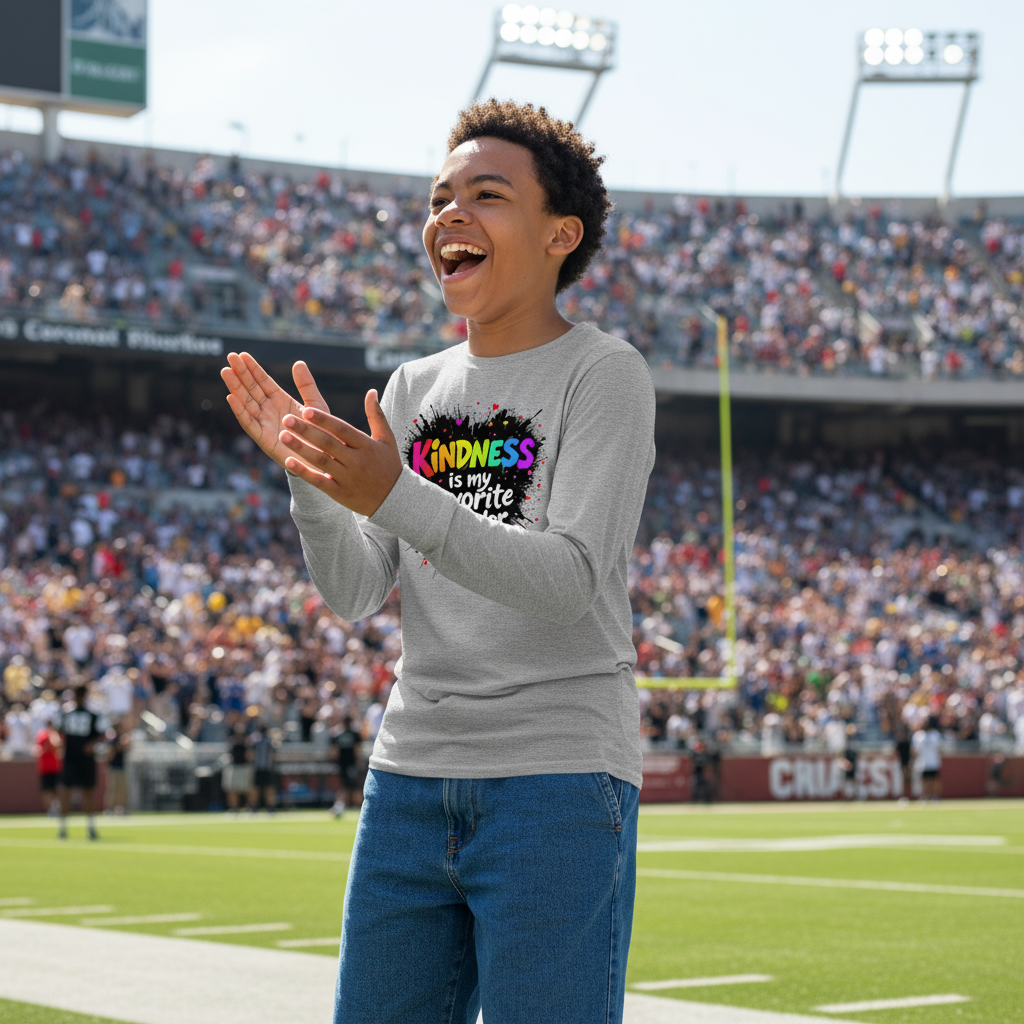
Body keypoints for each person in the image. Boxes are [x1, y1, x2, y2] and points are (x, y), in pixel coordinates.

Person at [222, 99, 655, 1024]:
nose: (449, 215)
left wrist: (396, 494)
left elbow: (568, 580)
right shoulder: (415, 385)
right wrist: (311, 477)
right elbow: (354, 590)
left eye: (486, 195)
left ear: (559, 235)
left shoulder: (604, 372)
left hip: (558, 778)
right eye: (439, 197)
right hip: (409, 774)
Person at [56, 685, 103, 840]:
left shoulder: (93, 715)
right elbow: (57, 732)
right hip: (70, 758)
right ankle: (62, 828)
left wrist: (92, 744)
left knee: (88, 792)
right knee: (66, 792)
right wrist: (59, 744)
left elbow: (101, 735)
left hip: (86, 759)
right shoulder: (65, 714)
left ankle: (91, 827)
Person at [330, 715, 362, 817]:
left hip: (342, 764)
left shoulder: (337, 734)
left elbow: (334, 752)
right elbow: (357, 750)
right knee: (354, 785)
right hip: (351, 763)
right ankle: (355, 805)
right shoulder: (354, 733)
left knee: (345, 785)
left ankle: (342, 805)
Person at [33, 720, 63, 815]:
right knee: (47, 790)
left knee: (57, 789)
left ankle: (57, 807)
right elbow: (38, 749)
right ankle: (51, 810)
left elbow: (58, 746)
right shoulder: (42, 735)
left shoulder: (55, 735)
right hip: (45, 767)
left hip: (55, 767)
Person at [222, 722, 253, 812]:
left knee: (248, 789)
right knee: (232, 789)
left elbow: (250, 755)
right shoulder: (232, 741)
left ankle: (250, 807)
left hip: (245, 766)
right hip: (234, 767)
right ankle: (233, 808)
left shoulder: (248, 742)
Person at [248, 723, 278, 813]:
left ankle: (254, 807)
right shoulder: (269, 741)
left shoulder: (255, 741)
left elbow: (250, 755)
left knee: (256, 788)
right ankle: (270, 807)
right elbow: (274, 755)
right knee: (267, 788)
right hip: (266, 768)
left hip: (258, 768)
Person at [913, 715, 943, 802]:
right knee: (924, 780)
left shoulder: (935, 735)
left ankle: (936, 796)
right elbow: (914, 750)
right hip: (923, 762)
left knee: (934, 780)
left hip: (933, 761)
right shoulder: (918, 735)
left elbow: (940, 749)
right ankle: (925, 796)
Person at [104, 719, 131, 814]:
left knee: (122, 789)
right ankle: (110, 808)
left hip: (121, 767)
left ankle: (120, 808)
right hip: (113, 767)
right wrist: (120, 745)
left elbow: (128, 745)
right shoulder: (113, 739)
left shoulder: (120, 737)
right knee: (113, 789)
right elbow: (111, 753)